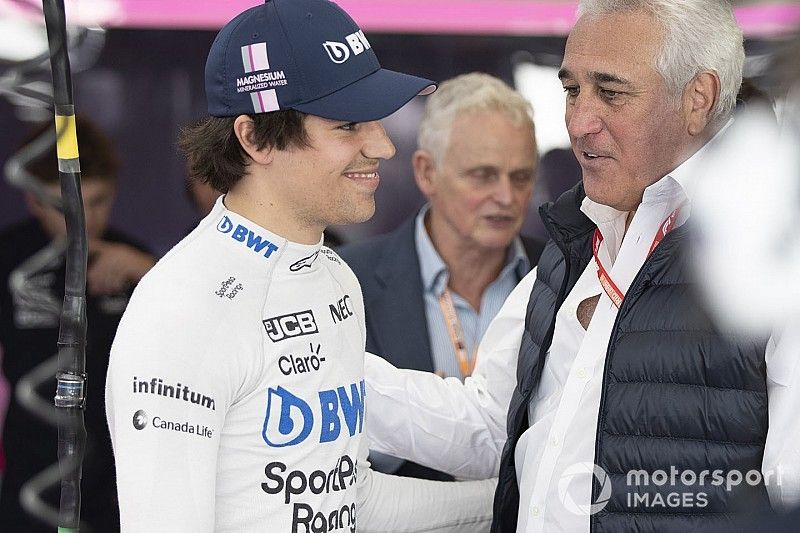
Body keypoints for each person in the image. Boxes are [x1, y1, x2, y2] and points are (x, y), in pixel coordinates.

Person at [362, 0, 798, 531]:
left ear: (697, 98)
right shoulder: (575, 249)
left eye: (611, 92)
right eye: (571, 90)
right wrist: (325, 368)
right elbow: (492, 425)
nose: (579, 122)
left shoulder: (774, 261)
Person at [105, 0, 496, 531]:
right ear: (253, 137)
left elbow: (345, 498)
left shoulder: (332, 276)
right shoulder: (181, 309)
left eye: (376, 121)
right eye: (348, 125)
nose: (381, 145)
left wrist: (518, 499)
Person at [338, 72, 544, 480]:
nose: (506, 196)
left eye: (520, 177)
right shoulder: (347, 282)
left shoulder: (566, 279)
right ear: (426, 172)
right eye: (483, 175)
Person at [0, 116, 155, 532]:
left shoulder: (139, 263)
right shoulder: (10, 261)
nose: (83, 219)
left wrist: (149, 273)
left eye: (97, 200)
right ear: (32, 200)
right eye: (63, 204)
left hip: (118, 482)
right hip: (26, 481)